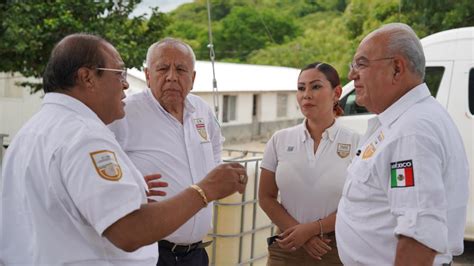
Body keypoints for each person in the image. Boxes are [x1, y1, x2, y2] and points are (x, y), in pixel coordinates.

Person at [0, 33, 247, 265]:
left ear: (192, 77)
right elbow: (128, 232)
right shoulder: (85, 135)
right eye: (119, 73)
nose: (126, 85)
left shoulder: (35, 129)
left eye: (181, 70)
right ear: (87, 77)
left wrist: (129, 189)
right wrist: (205, 190)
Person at [336, 23, 469, 265]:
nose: (351, 74)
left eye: (361, 64)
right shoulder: (403, 122)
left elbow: (420, 235)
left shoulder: (412, 131)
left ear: (397, 68)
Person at [108, 38, 222, 266]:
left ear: (193, 78)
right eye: (162, 68)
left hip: (196, 254)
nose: (171, 76)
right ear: (148, 75)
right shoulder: (124, 113)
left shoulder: (201, 110)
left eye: (181, 69)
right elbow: (102, 170)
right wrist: (131, 187)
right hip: (150, 253)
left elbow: (216, 153)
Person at [258, 62, 360, 265]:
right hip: (286, 246)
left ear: (336, 92)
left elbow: (358, 204)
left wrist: (311, 231)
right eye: (301, 88)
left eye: (316, 86)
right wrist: (301, 235)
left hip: (335, 248)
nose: (306, 94)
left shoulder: (357, 142)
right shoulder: (280, 140)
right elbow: (266, 197)